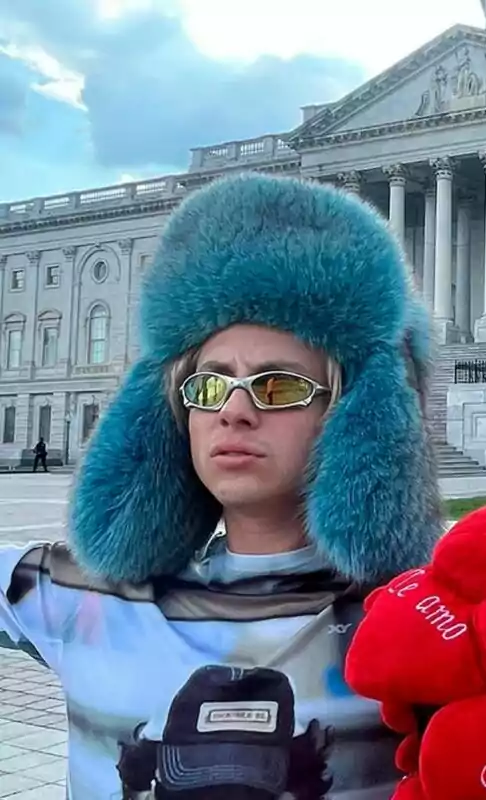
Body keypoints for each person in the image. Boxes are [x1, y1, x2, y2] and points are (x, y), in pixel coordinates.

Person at [0, 173, 440, 798]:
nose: (234, 411)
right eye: (210, 385)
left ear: (355, 418)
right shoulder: (77, 594)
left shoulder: (421, 625)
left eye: (279, 385)